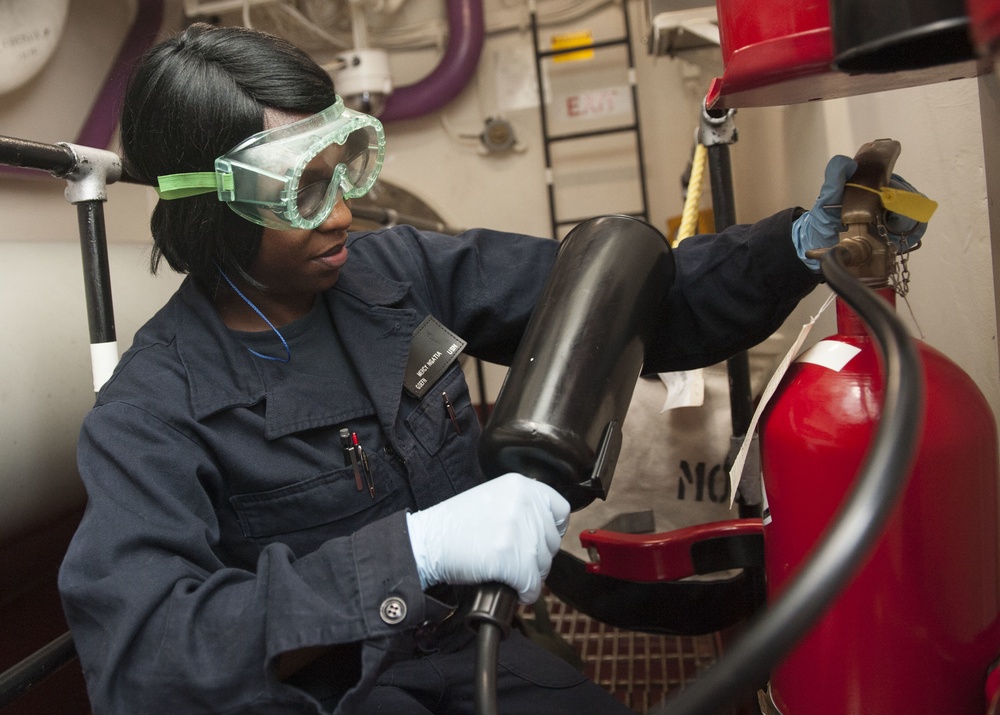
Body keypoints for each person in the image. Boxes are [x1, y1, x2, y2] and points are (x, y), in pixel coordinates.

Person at [57, 22, 927, 715]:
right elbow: (144, 661)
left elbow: (628, 313)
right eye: (303, 190)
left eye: (344, 166)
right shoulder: (151, 409)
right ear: (213, 208)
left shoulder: (398, 273)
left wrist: (791, 248)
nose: (345, 212)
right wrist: (413, 552)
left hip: (486, 649)